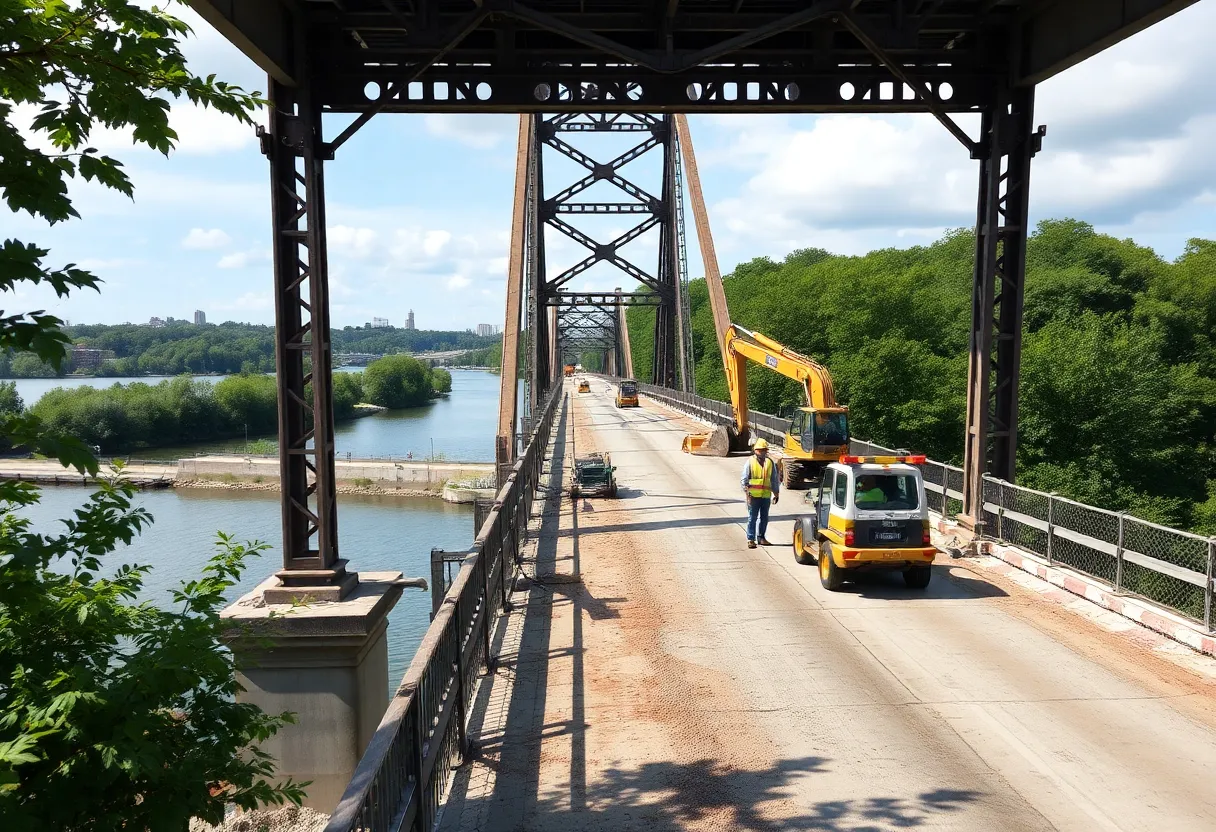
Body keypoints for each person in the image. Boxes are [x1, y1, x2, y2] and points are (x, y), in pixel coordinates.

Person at [740, 438, 780, 548]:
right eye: (760, 450)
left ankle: (761, 537)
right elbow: (744, 480)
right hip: (753, 496)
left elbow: (774, 479)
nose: (762, 452)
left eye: (764, 450)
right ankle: (751, 539)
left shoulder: (769, 463)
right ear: (755, 450)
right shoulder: (750, 462)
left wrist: (776, 494)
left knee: (764, 518)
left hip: (765, 496)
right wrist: (747, 493)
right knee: (752, 518)